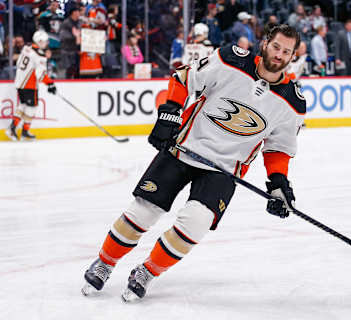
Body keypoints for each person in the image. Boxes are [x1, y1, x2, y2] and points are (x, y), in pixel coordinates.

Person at [81, 23, 305, 302]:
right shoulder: (230, 59)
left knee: (196, 223)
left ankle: (147, 272)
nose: (279, 55)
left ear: (294, 55)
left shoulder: (292, 102)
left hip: (224, 170)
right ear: (264, 44)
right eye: (276, 47)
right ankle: (104, 262)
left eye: (286, 51)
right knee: (143, 212)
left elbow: (278, 149)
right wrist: (169, 112)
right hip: (183, 148)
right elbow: (184, 77)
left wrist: (279, 183)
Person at [5, 30, 57, 141]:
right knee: (32, 108)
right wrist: (50, 84)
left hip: (19, 81)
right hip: (29, 84)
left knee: (23, 106)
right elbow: (40, 75)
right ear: (39, 41)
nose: (47, 43)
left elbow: (19, 63)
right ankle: (20, 130)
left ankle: (17, 129)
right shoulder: (40, 55)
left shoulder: (26, 48)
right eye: (45, 41)